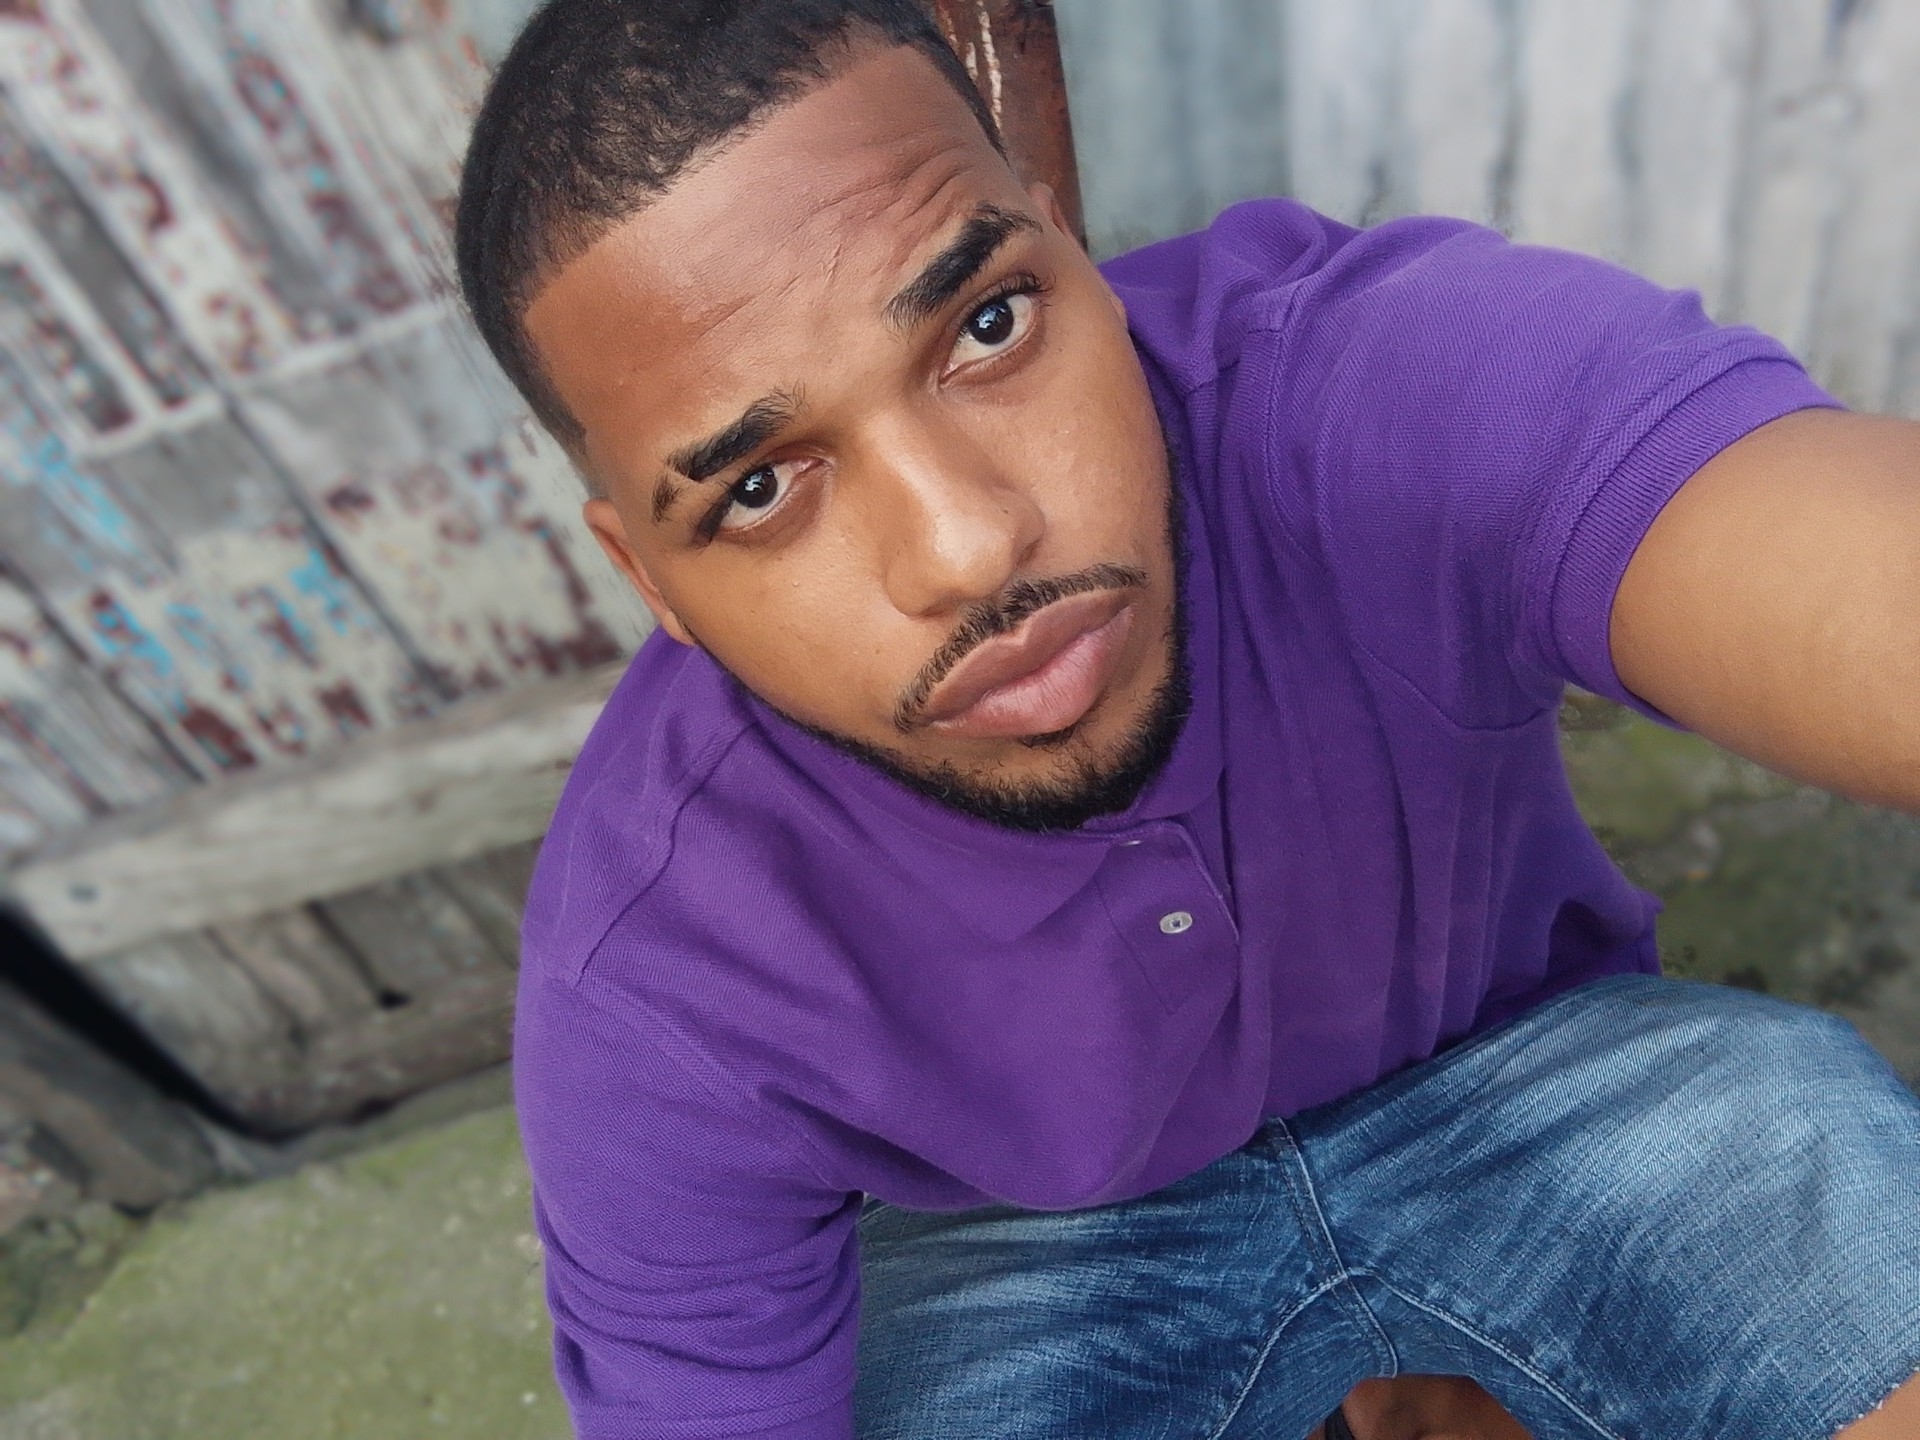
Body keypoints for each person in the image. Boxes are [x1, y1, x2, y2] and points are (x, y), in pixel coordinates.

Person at [453, 2, 1920, 1436]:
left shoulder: (1351, 385)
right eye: (761, 487)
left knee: (1821, 1191)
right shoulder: (653, 964)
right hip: (1037, 1251)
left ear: (1068, 249)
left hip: (1535, 1077)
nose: (967, 545)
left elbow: (1813, 555)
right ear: (647, 578)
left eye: (988, 323)